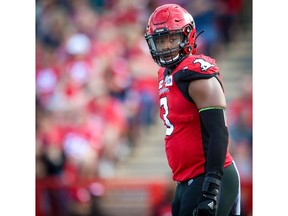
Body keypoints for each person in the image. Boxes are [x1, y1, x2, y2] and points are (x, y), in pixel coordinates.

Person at [144, 4, 241, 216]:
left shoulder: (197, 73)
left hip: (208, 176)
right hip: (185, 180)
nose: (166, 45)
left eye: (172, 38)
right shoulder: (165, 75)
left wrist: (211, 186)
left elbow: (218, 133)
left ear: (187, 36)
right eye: (160, 40)